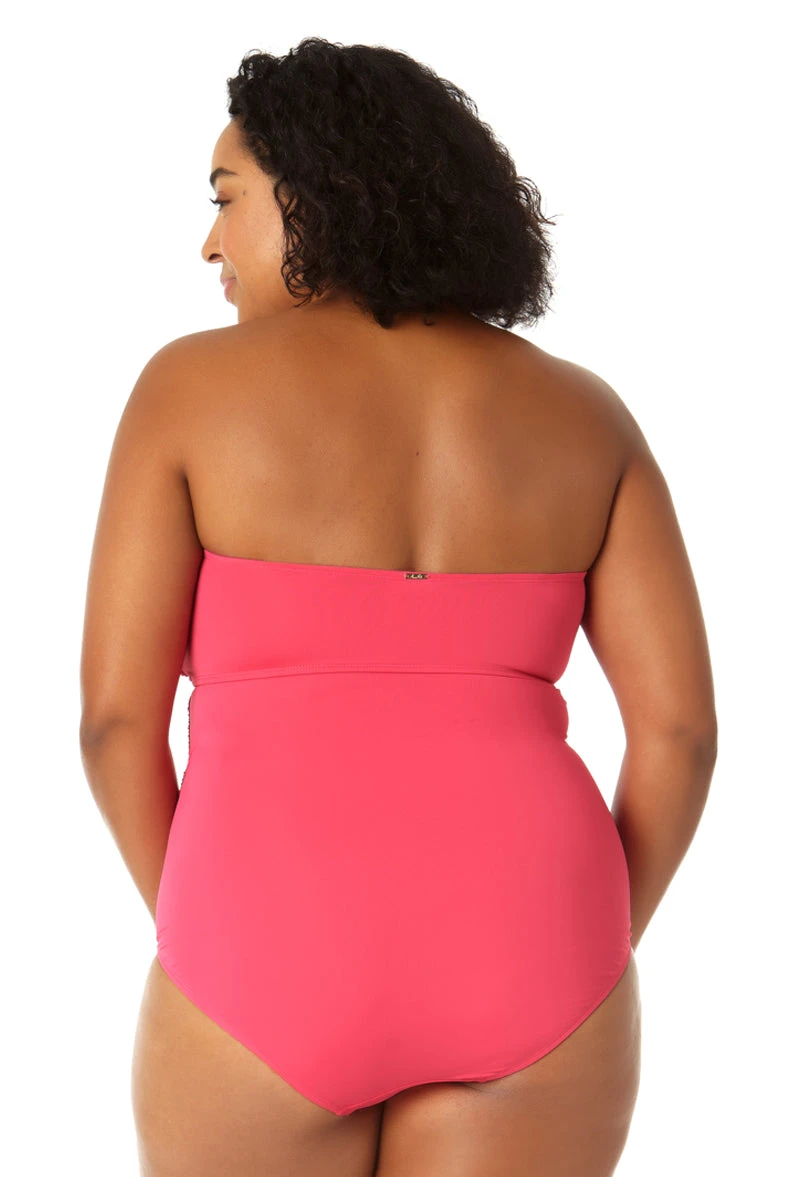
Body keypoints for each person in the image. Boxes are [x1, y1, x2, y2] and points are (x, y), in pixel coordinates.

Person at [79, 36, 717, 1177]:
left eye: (226, 199)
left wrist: (206, 924)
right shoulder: (585, 415)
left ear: (319, 194)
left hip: (266, 940)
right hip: (536, 942)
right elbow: (679, 734)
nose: (209, 243)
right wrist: (584, 941)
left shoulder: (190, 390)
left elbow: (114, 723)